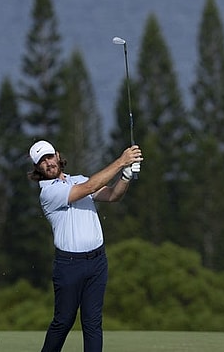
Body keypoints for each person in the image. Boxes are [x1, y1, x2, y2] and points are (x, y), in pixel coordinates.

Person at [28, 140, 143, 352]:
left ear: (58, 155)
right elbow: (89, 187)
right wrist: (121, 161)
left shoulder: (77, 180)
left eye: (49, 157)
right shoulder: (48, 193)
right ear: (38, 168)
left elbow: (112, 195)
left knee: (92, 323)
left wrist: (126, 175)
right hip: (69, 266)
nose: (48, 163)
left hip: (98, 262)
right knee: (63, 322)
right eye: (42, 161)